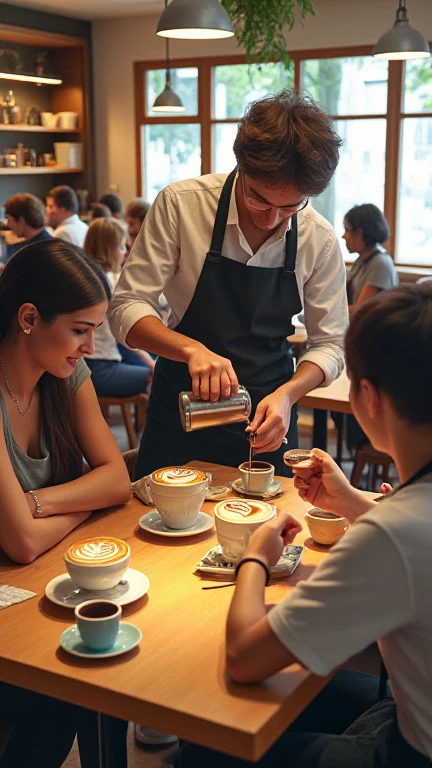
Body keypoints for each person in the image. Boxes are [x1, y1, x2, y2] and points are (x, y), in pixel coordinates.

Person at [178, 282, 432, 768]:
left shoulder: (395, 533)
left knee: (205, 754)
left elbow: (245, 659)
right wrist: (351, 502)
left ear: (369, 398)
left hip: (410, 749)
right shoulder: (408, 514)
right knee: (315, 684)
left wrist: (254, 556)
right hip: (410, 705)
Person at [109, 90, 348, 480]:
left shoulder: (318, 239)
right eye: (258, 200)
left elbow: (330, 344)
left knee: (265, 534)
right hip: (180, 412)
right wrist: (190, 349)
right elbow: (126, 307)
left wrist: (288, 395)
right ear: (240, 166)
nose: (272, 220)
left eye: (289, 207)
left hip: (267, 418)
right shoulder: (182, 205)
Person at [0, 238, 131, 765]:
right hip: (17, 597)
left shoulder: (66, 375)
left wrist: (33, 502)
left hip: (32, 588)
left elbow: (118, 481)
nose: (87, 347)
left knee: (110, 658)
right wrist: (82, 502)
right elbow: (24, 545)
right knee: (65, 687)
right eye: (79, 331)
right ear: (29, 317)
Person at [82, 218, 153, 395]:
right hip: (99, 367)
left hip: (91, 362)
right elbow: (124, 331)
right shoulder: (104, 282)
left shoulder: (90, 275)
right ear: (108, 249)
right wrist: (151, 364)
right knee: (162, 377)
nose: (125, 253)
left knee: (156, 364)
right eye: (122, 247)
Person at [343, 203, 398, 316]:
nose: (344, 236)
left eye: (346, 230)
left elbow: (360, 310)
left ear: (359, 234)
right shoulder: (361, 260)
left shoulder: (380, 264)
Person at [4, 193, 53, 259]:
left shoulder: (33, 252)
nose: (7, 224)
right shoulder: (49, 242)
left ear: (21, 221)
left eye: (8, 218)